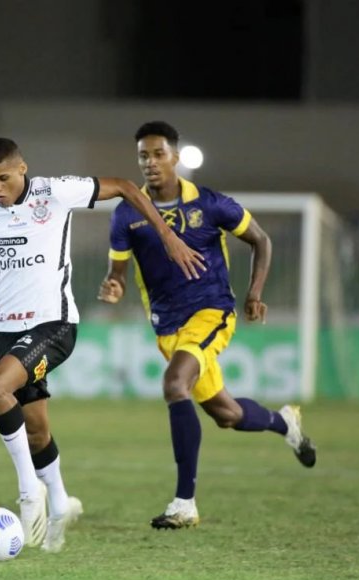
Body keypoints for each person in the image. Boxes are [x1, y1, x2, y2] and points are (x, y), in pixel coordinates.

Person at [0, 137, 205, 553]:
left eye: (3, 179)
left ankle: (30, 494)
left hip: (54, 324)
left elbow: (124, 186)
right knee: (36, 431)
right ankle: (61, 502)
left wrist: (168, 236)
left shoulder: (55, 192)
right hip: (7, 332)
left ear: (22, 169)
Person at [98, 121, 317, 530]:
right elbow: (119, 270)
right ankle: (284, 422)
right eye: (143, 155)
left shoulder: (210, 204)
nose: (150, 162)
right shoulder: (127, 213)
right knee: (227, 414)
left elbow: (261, 240)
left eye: (158, 153)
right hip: (168, 326)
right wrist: (113, 284)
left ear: (176, 157)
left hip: (212, 311)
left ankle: (185, 503)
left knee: (174, 384)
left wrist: (253, 294)